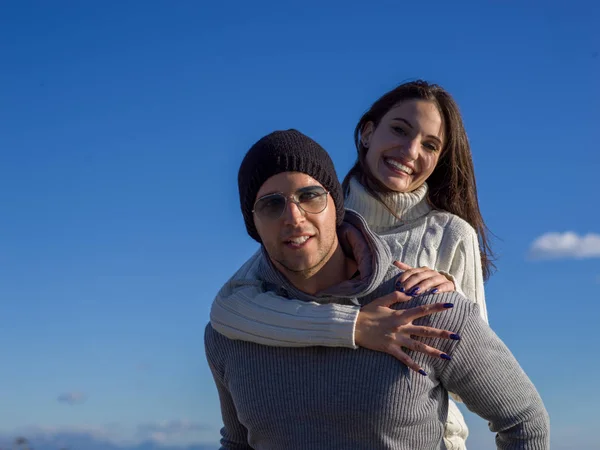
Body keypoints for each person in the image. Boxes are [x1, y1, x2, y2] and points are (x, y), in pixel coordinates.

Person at [204, 129, 549, 449]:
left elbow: (524, 422)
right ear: (253, 224)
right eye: (271, 204)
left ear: (336, 206)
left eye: (309, 196)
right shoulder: (229, 335)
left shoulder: (426, 308)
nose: (293, 217)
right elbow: (238, 444)